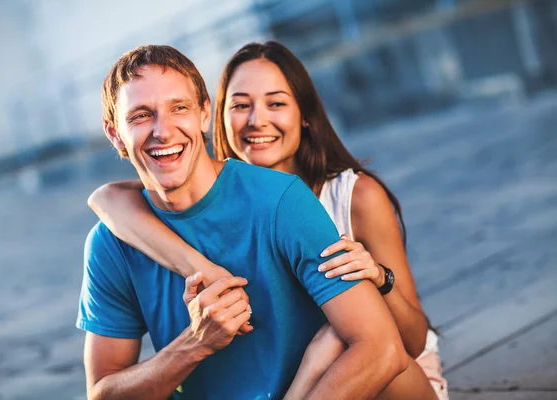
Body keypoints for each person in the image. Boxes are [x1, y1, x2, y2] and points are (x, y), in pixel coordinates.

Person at [89, 41, 448, 399]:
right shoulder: (113, 238)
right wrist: (193, 344)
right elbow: (102, 392)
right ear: (114, 134)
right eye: (140, 115)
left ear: (203, 113)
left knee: (337, 337)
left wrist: (382, 279)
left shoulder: (291, 199)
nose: (162, 130)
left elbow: (385, 347)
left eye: (178, 108)